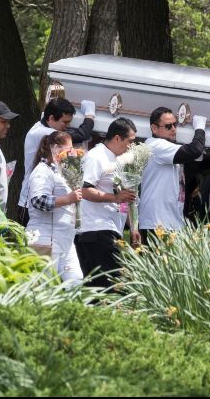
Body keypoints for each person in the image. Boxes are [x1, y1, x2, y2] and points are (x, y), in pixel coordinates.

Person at [76, 117, 140, 288]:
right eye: (130, 141)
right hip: (95, 230)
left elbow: (123, 197)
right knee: (106, 287)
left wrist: (132, 226)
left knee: (112, 285)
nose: (132, 147)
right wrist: (114, 198)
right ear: (117, 138)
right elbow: (84, 190)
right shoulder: (96, 157)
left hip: (112, 229)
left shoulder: (119, 160)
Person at [17, 97, 95, 225]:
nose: (68, 126)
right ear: (51, 118)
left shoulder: (41, 125)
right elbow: (81, 135)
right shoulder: (44, 133)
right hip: (30, 201)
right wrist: (90, 114)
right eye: (65, 122)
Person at [138, 107, 207, 242]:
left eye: (175, 125)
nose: (174, 129)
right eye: (168, 126)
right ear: (154, 128)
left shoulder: (164, 147)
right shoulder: (156, 146)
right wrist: (200, 127)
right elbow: (194, 150)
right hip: (157, 223)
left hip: (167, 222)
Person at [26, 131, 83, 287]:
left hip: (65, 240)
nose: (72, 152)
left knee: (75, 283)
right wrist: (68, 199)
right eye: (68, 148)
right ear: (55, 148)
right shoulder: (42, 170)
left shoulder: (61, 170)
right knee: (43, 288)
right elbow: (38, 200)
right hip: (44, 239)